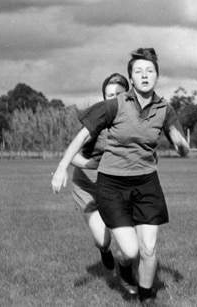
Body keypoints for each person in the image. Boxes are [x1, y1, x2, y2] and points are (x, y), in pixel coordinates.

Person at [51, 48, 189, 305]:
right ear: (132, 79)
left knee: (148, 249)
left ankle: (146, 298)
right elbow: (80, 138)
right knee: (130, 250)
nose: (144, 75)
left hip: (146, 183)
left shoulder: (164, 109)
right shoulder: (113, 107)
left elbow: (180, 144)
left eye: (150, 71)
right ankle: (123, 265)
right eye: (138, 71)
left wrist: (182, 146)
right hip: (111, 184)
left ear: (157, 77)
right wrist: (61, 168)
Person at [69, 73, 130, 275]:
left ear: (127, 95)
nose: (113, 98)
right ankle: (104, 250)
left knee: (131, 242)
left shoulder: (133, 121)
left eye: (118, 94)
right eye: (109, 94)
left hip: (115, 188)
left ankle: (131, 273)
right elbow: (72, 156)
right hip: (87, 186)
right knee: (103, 240)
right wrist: (93, 164)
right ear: (103, 97)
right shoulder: (96, 121)